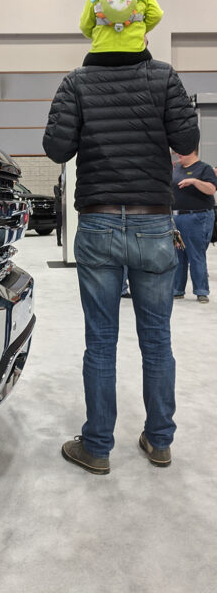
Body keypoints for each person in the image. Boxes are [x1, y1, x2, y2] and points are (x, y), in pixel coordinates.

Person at [43, 44, 199, 474]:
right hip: (153, 223)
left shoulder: (77, 81)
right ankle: (160, 440)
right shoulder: (165, 77)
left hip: (98, 223)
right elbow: (187, 142)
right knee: (157, 341)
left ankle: (96, 447)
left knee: (100, 342)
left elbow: (56, 148)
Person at [171, 149, 217, 303]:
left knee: (196, 254)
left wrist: (195, 182)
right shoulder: (176, 169)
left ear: (192, 151)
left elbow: (211, 189)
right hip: (176, 217)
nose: (177, 154)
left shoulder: (204, 168)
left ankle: (201, 290)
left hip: (197, 217)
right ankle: (177, 289)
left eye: (180, 152)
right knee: (178, 255)